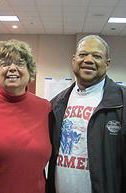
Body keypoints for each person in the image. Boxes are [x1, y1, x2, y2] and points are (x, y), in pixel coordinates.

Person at [0, 39, 52, 193]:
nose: (12, 68)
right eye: (5, 63)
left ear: (29, 70)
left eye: (20, 63)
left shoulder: (45, 108)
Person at [47, 35, 126, 193]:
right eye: (83, 54)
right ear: (74, 59)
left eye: (97, 56)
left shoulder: (122, 102)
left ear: (107, 63)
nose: (88, 60)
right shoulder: (56, 103)